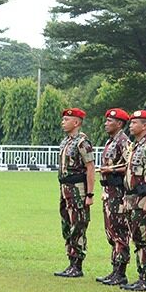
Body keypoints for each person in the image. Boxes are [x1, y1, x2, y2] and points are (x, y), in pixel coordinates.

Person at [120, 110, 146, 292]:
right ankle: (141, 276)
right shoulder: (134, 146)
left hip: (143, 198)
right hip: (132, 199)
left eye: (134, 123)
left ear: (145, 126)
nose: (131, 125)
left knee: (145, 239)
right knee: (137, 238)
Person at [55, 108, 95, 278]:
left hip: (78, 189)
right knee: (66, 224)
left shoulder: (82, 143)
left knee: (77, 225)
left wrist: (90, 194)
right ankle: (71, 261)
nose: (63, 122)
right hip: (65, 188)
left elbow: (90, 168)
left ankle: (77, 265)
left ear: (76, 122)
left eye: (67, 119)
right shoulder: (66, 141)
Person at [96, 108, 132, 287]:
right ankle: (115, 269)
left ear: (119, 123)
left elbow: (130, 165)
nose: (106, 124)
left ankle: (120, 272)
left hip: (118, 192)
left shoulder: (124, 141)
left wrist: (111, 170)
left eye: (110, 121)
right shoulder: (111, 141)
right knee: (111, 231)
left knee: (119, 231)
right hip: (109, 191)